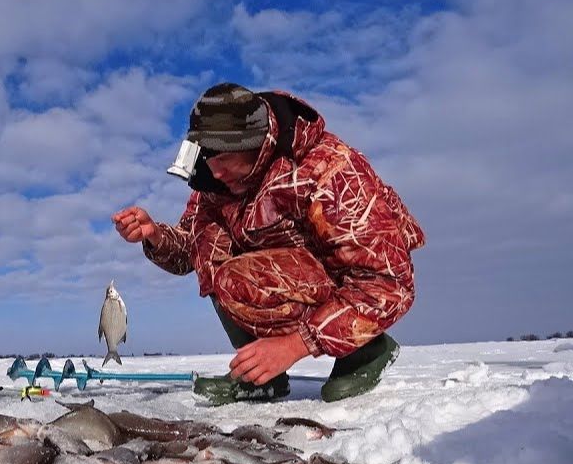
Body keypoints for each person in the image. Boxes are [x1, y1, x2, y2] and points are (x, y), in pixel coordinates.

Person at [113, 83, 424, 404]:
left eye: (224, 158)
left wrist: (295, 345)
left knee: (357, 287)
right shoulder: (214, 183)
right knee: (214, 251)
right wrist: (153, 234)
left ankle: (366, 351)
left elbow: (388, 283)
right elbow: (189, 254)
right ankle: (261, 375)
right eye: (207, 158)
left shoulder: (328, 170)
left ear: (256, 145)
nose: (215, 171)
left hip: (345, 279)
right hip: (291, 273)